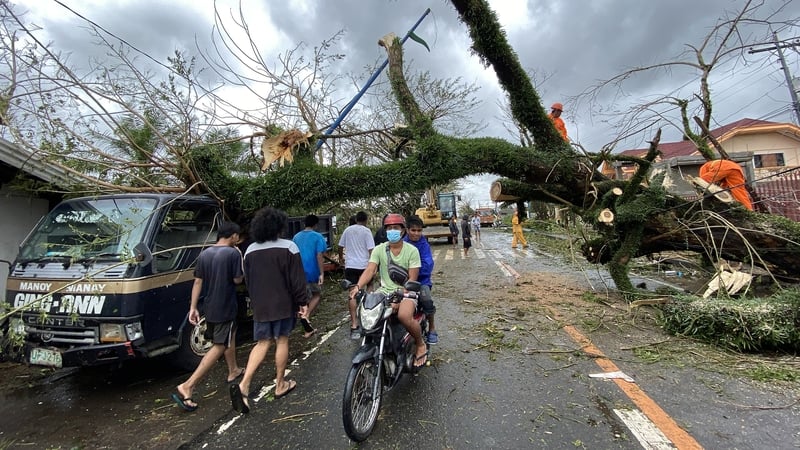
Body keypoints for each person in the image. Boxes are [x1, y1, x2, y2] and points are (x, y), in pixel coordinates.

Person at [230, 207, 308, 414]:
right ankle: (280, 384)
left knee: (262, 342)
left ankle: (244, 384)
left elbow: (247, 279)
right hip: (283, 303)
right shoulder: (289, 247)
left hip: (260, 305)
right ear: (279, 226)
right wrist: (303, 302)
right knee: (282, 340)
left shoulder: (250, 250)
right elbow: (297, 280)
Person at [172, 221, 244, 412]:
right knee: (220, 345)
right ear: (233, 236)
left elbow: (197, 282)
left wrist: (193, 307)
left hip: (209, 305)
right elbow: (238, 279)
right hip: (225, 306)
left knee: (230, 335)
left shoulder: (205, 254)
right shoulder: (232, 253)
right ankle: (189, 385)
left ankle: (233, 370)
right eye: (238, 236)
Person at [349, 213, 427, 367]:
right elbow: (370, 270)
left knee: (404, 315)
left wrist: (401, 298)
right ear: (385, 231)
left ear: (403, 230)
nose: (393, 231)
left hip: (406, 292)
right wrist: (358, 286)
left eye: (396, 228)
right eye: (389, 228)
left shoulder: (412, 251)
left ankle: (420, 344)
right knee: (367, 311)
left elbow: (412, 279)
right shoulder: (379, 249)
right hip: (384, 291)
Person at [338, 211, 376, 339]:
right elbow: (371, 250)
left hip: (351, 266)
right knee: (370, 288)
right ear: (365, 220)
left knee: (352, 294)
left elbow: (340, 246)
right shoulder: (366, 231)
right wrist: (374, 265)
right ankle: (370, 319)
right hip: (365, 266)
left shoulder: (348, 230)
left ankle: (354, 325)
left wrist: (341, 259)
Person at [404, 215, 439, 344]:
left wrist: (414, 272)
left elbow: (428, 264)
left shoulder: (424, 244)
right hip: (402, 281)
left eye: (419, 230)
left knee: (427, 301)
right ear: (407, 230)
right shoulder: (402, 243)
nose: (416, 233)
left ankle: (432, 329)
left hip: (421, 281)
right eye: (413, 230)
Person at [292, 214, 327, 338]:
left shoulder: (296, 237)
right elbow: (319, 255)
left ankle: (307, 325)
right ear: (316, 224)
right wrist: (321, 273)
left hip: (298, 272)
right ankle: (306, 316)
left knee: (303, 298)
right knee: (317, 295)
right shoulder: (318, 236)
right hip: (312, 271)